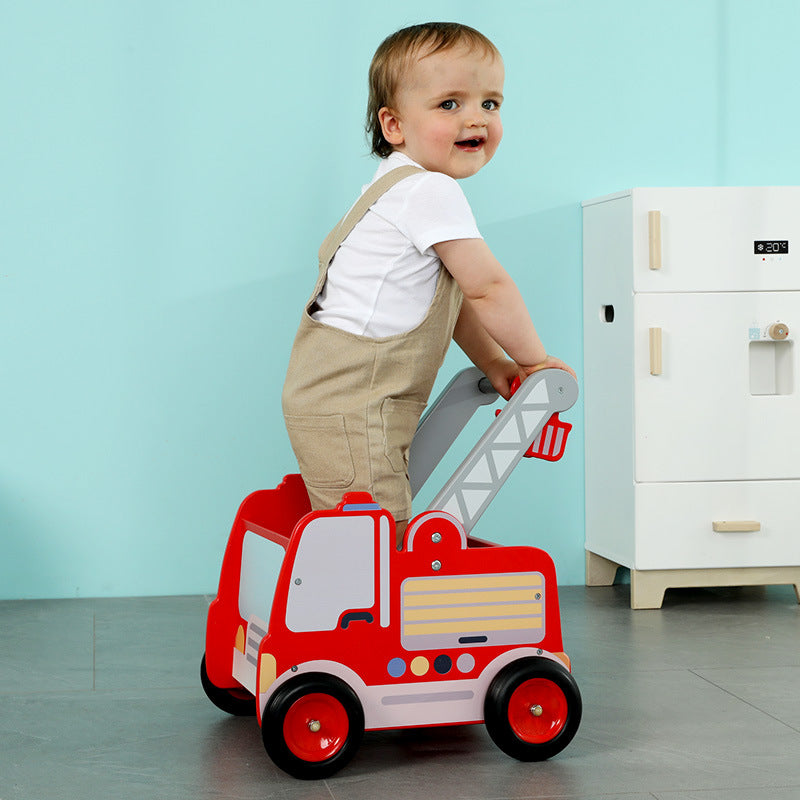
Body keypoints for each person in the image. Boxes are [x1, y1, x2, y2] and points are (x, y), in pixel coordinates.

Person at [282, 22, 575, 543]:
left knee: (362, 528)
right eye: (449, 104)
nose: (476, 119)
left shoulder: (389, 188)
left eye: (491, 103)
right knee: (373, 535)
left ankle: (358, 613)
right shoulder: (429, 191)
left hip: (338, 396)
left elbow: (454, 302)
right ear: (393, 124)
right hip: (357, 402)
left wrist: (495, 364)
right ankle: (368, 623)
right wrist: (533, 361)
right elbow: (489, 288)